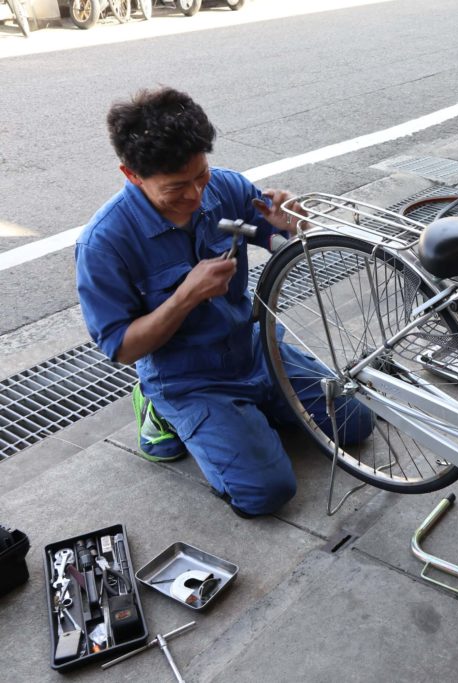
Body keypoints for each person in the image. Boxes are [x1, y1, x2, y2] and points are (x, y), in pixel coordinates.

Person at [76, 87, 372, 518]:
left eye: (201, 175)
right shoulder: (104, 244)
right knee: (266, 494)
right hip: (188, 378)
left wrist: (291, 226)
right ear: (131, 174)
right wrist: (185, 297)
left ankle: (247, 418)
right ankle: (161, 410)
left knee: (357, 424)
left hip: (255, 349)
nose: (196, 195)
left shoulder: (227, 188)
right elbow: (121, 347)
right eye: (176, 187)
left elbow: (280, 239)